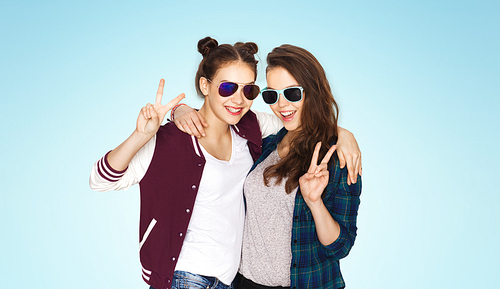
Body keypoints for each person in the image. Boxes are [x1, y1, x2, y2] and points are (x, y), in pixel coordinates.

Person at [90, 37, 266, 289]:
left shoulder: (249, 128)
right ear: (205, 85)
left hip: (227, 281)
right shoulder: (168, 140)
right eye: (227, 88)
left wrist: (344, 136)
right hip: (185, 277)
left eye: (248, 90)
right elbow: (100, 180)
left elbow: (299, 124)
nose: (238, 99)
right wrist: (141, 135)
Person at [234, 44, 362, 289]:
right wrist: (179, 110)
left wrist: (314, 203)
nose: (282, 105)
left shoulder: (337, 156)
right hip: (245, 283)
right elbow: (216, 117)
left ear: (312, 91)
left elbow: (340, 246)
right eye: (272, 95)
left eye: (292, 93)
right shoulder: (267, 143)